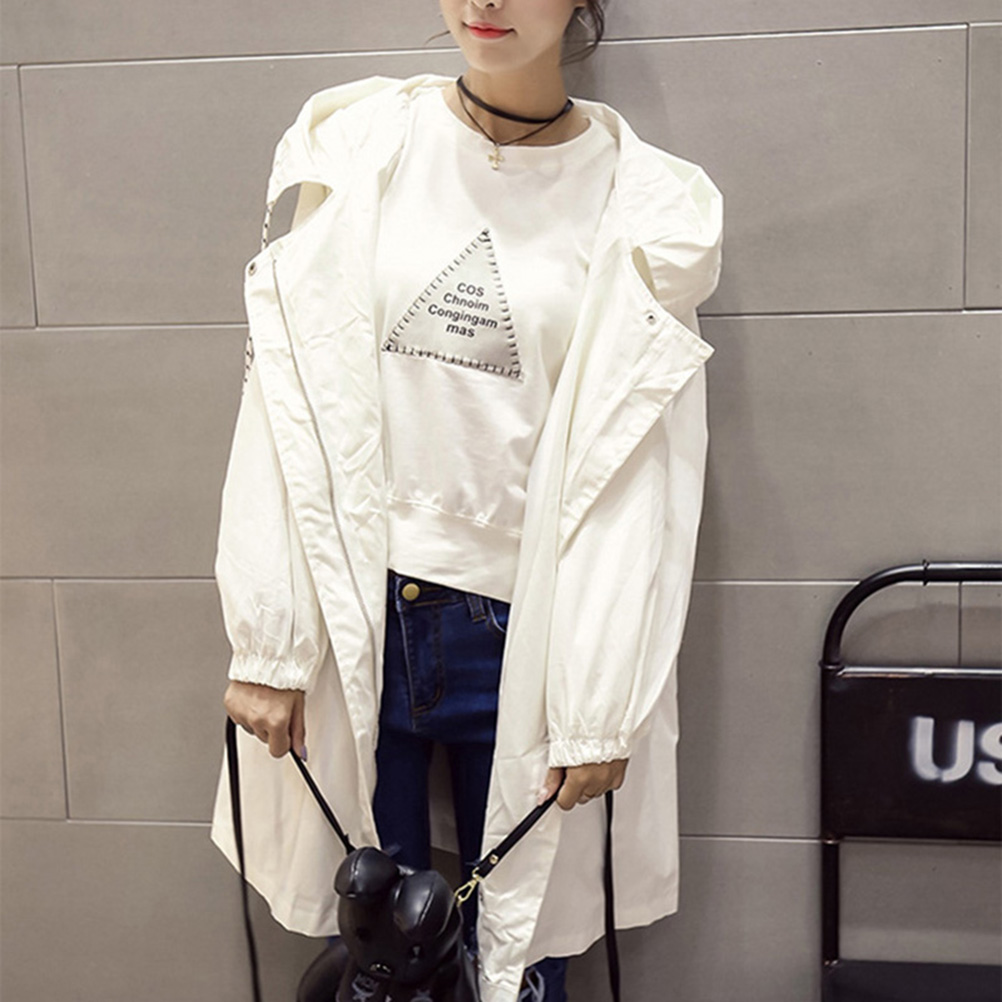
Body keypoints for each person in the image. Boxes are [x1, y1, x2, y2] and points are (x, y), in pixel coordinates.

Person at [211, 2, 723, 1001]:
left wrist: (596, 707)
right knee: (381, 954)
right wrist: (268, 642)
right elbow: (283, 402)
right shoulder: (364, 148)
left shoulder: (641, 203)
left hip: (528, 635)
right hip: (361, 612)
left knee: (517, 956)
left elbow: (646, 478)